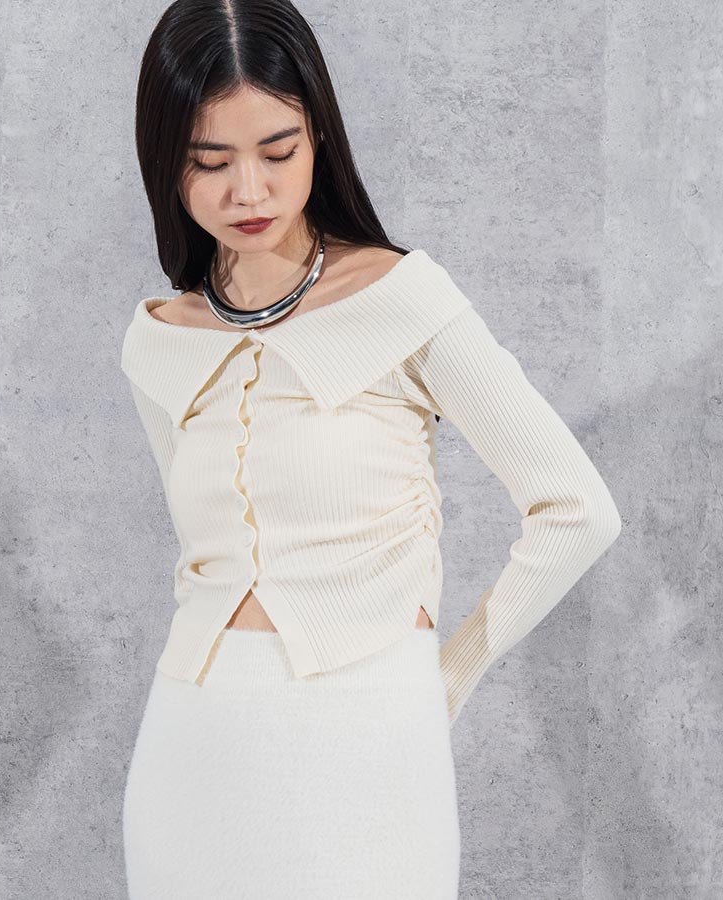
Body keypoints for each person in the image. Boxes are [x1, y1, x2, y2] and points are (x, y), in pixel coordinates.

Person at [119, 1, 622, 897]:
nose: (249, 192)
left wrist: (446, 677)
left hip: (369, 745)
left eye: (278, 152)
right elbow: (200, 565)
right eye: (210, 161)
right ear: (165, 160)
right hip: (191, 753)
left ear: (318, 134)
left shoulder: (402, 300)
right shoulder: (158, 340)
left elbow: (577, 510)